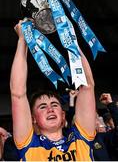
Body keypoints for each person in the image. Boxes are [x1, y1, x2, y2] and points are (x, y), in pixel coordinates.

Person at [10, 19, 96, 161]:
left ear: (63, 115)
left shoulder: (81, 137)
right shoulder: (29, 144)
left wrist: (70, 40)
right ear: (33, 119)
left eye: (54, 105)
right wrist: (22, 40)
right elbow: (17, 94)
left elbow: (87, 86)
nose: (50, 109)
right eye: (43, 107)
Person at [93, 93, 118, 161]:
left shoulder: (103, 137)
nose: (98, 121)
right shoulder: (73, 139)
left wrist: (110, 104)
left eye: (97, 118)